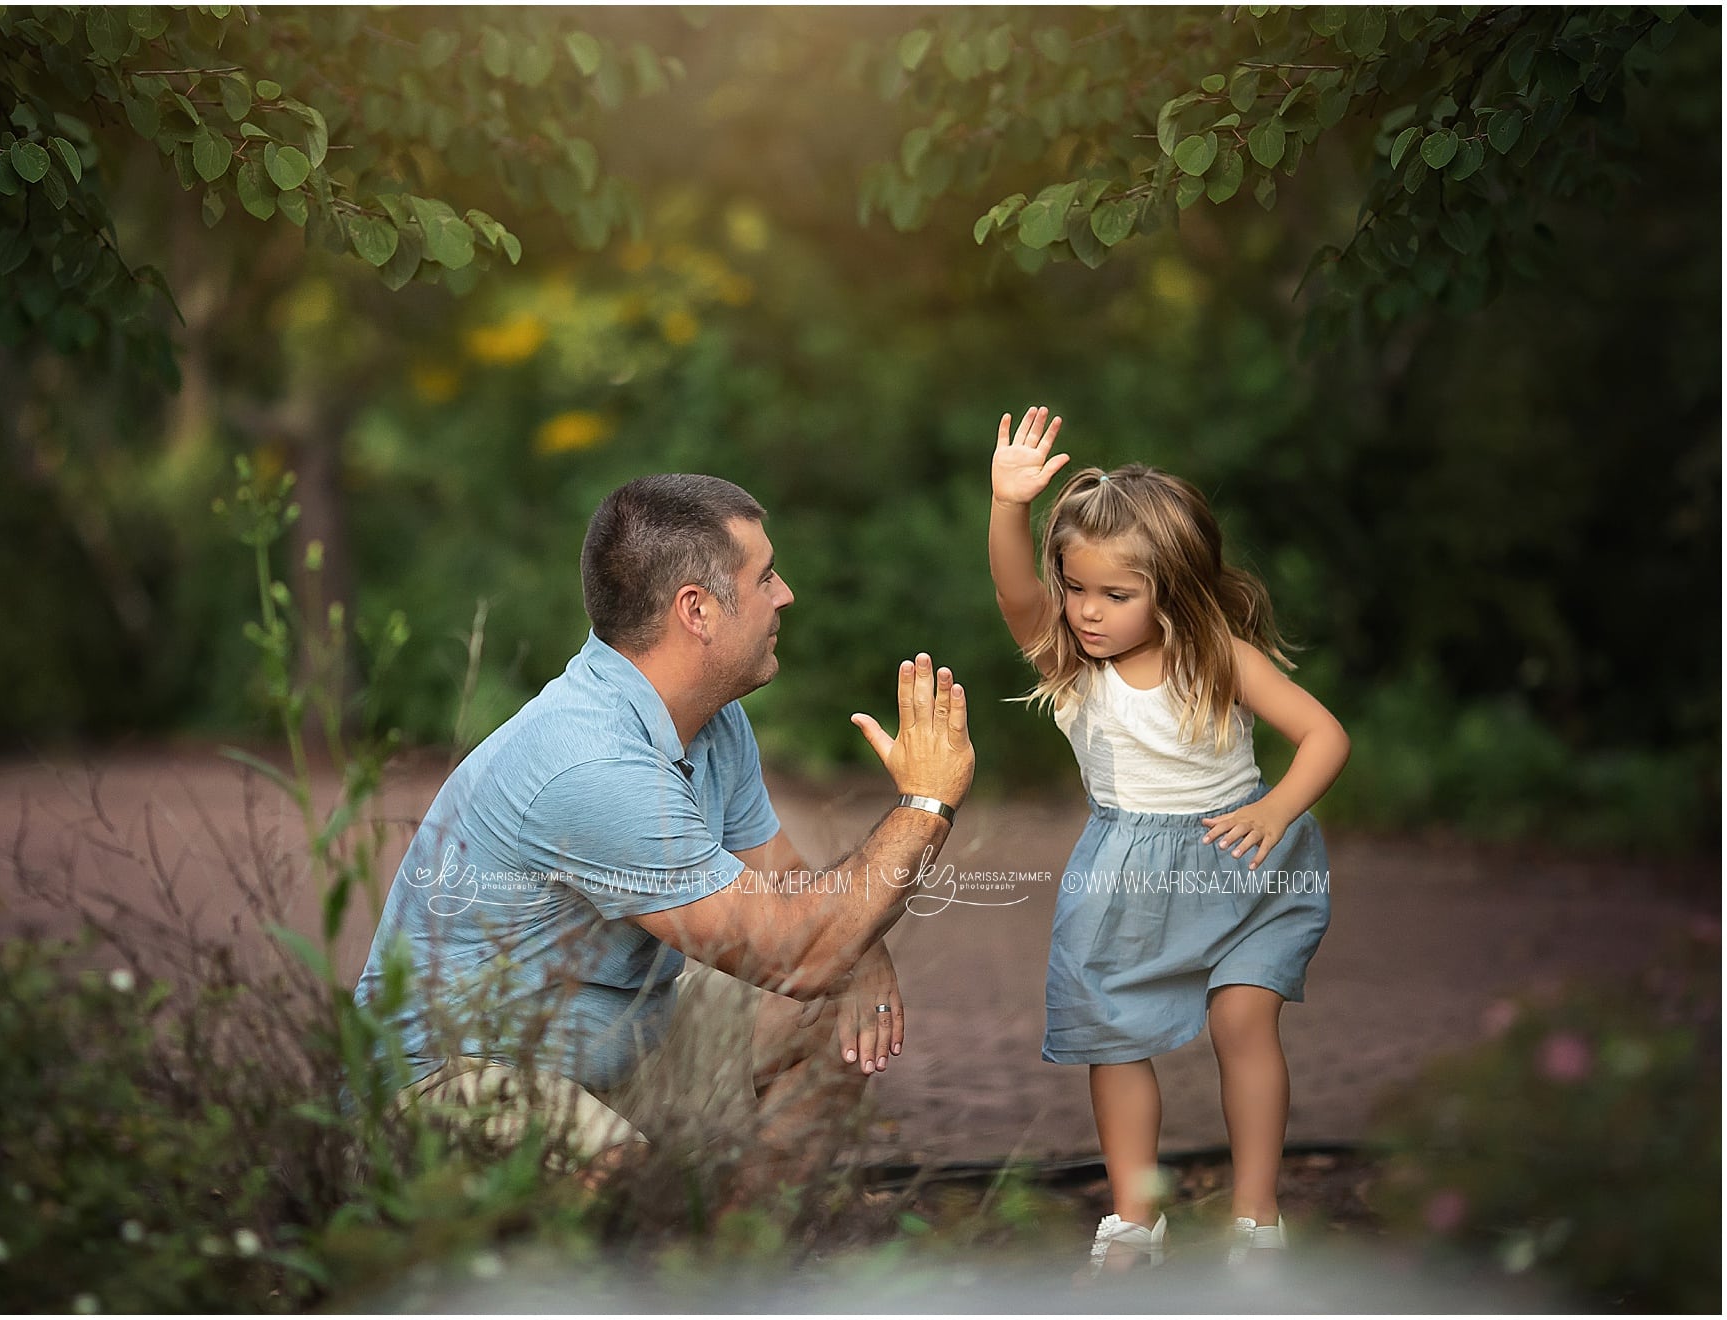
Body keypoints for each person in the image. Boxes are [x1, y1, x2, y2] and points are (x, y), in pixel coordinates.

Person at [353, 473, 974, 1188]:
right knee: (640, 1205)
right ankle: (688, 1252)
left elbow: (788, 887)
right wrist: (925, 805)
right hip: (448, 1087)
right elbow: (797, 954)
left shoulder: (711, 717)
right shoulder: (593, 762)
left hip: (605, 1057)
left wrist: (857, 950)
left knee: (829, 1006)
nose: (785, 595)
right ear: (697, 610)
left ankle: (757, 1239)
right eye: (766, 576)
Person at [986, 407, 1349, 1276]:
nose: (1087, 611)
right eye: (1076, 588)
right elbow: (1013, 594)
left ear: (1173, 589)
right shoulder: (1071, 668)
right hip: (1128, 877)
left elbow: (1325, 736)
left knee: (1242, 1019)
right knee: (1113, 1040)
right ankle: (1134, 1221)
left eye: (1117, 595)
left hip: (1251, 865)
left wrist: (1279, 810)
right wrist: (1008, 505)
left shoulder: (1216, 654)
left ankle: (1256, 1222)